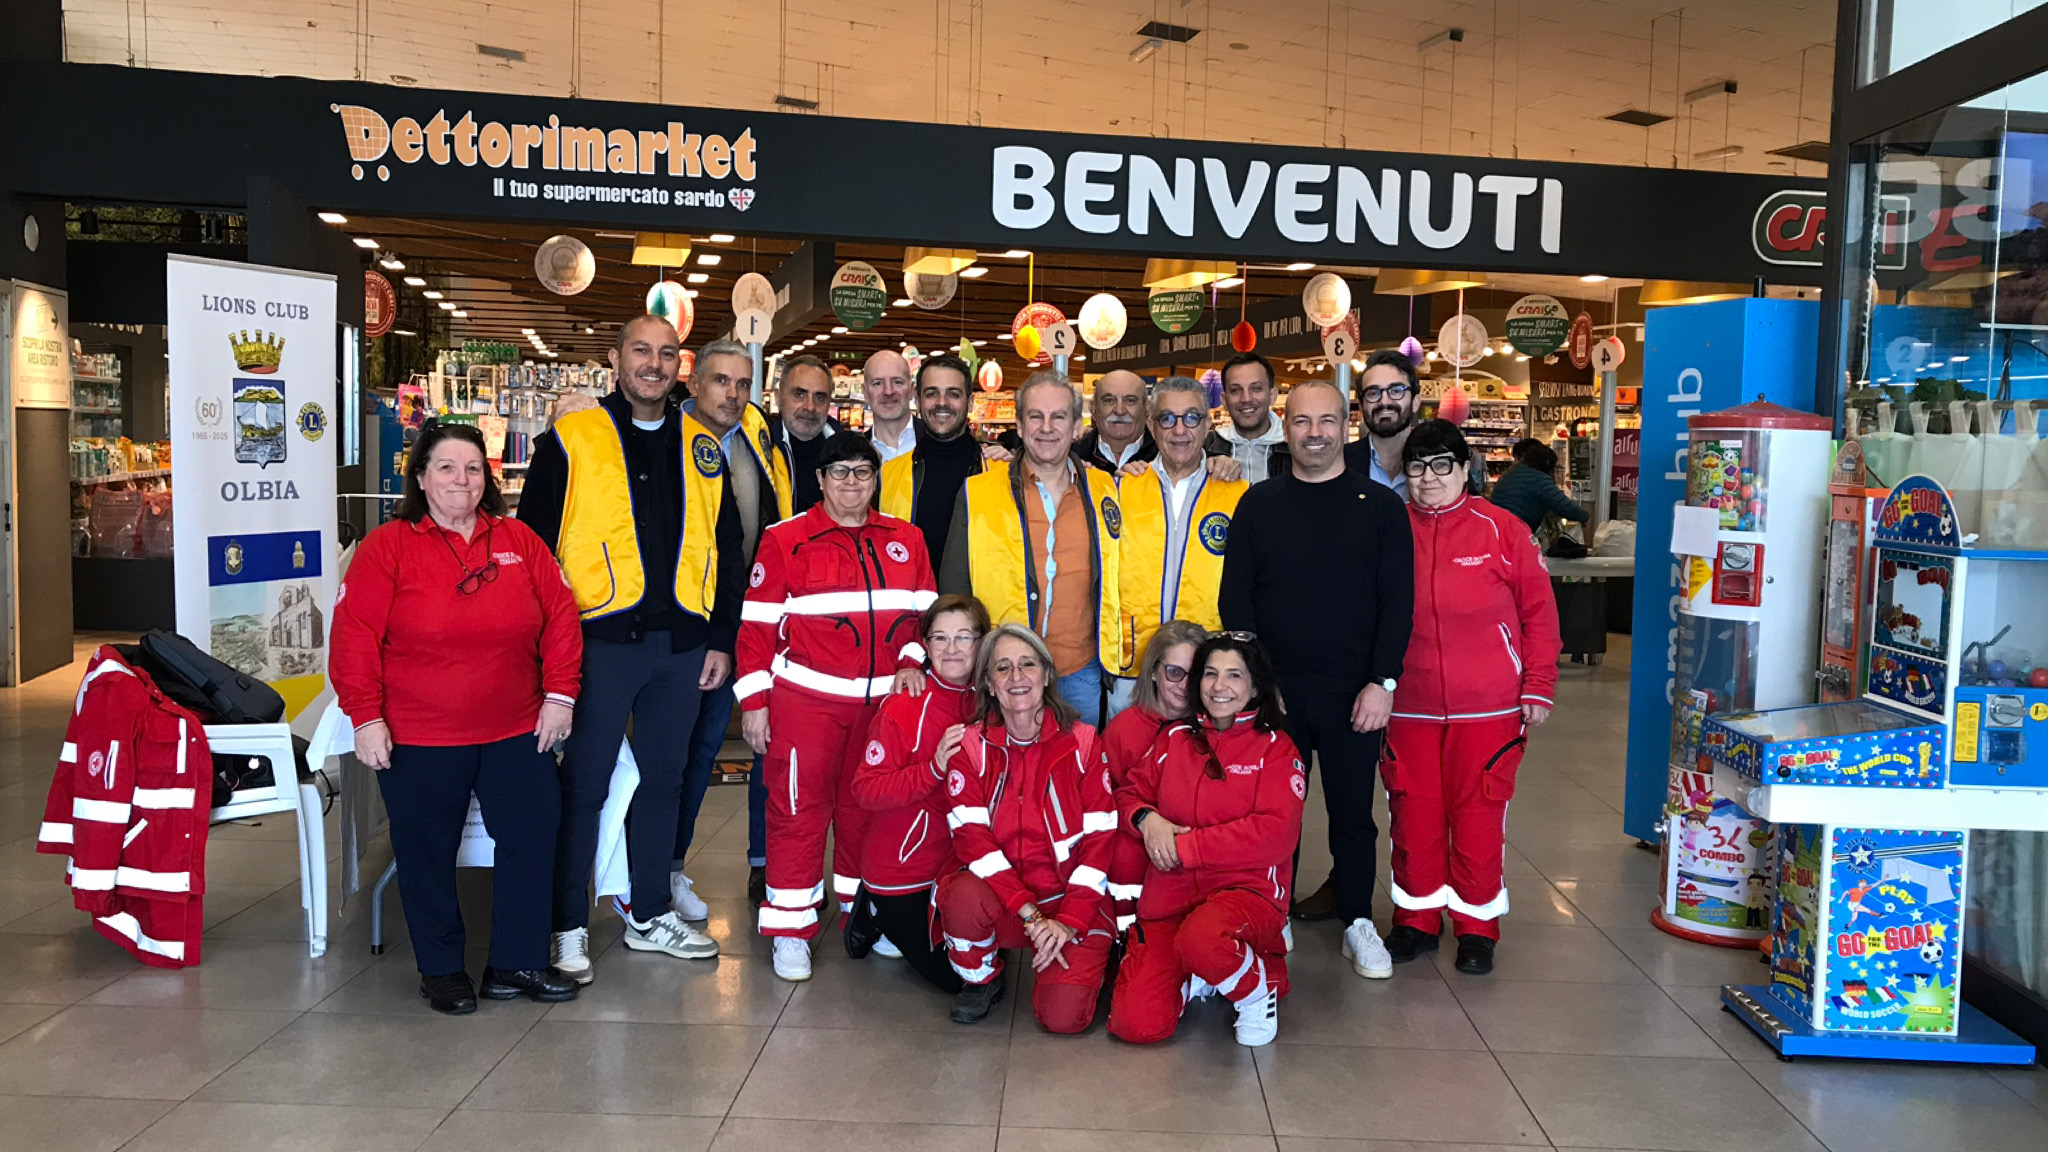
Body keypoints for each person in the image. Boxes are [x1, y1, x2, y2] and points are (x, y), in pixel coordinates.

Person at [332, 421, 583, 1013]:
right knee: (425, 850)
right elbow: (354, 639)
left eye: (472, 468)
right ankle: (441, 968)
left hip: (517, 727)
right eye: (445, 467)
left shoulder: (520, 541)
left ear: (486, 478)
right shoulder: (386, 548)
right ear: (420, 477)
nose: (460, 480)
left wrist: (560, 696)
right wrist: (365, 718)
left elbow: (562, 619)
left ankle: (516, 962)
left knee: (533, 835)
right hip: (419, 734)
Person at [518, 315, 740, 981]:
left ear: (681, 366)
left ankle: (648, 912)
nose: (654, 363)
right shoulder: (573, 436)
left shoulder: (704, 445)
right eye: (641, 350)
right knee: (583, 785)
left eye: (666, 353)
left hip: (681, 647)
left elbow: (728, 552)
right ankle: (566, 926)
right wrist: (542, 650)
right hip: (597, 643)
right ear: (614, 359)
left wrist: (720, 639)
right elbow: (532, 546)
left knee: (664, 781)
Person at [1220, 377, 1413, 976]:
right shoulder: (1259, 504)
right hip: (1276, 692)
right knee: (1274, 813)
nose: (1315, 433)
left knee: (1353, 813)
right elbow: (1238, 599)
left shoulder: (1381, 508)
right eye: (1302, 421)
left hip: (1355, 695)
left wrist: (1383, 683)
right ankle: (1270, 911)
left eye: (1327, 421)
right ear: (1287, 425)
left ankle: (1358, 918)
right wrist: (1256, 682)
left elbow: (1396, 601)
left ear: (1346, 425)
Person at [738, 433, 937, 982]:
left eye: (863, 472)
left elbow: (925, 617)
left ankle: (864, 913)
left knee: (866, 813)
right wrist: (754, 703)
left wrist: (913, 661)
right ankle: (790, 928)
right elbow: (755, 630)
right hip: (808, 704)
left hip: (883, 709)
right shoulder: (786, 540)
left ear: (876, 479)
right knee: (799, 811)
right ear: (821, 480)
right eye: (840, 472)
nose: (852, 483)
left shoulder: (907, 539)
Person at [1386, 420, 1560, 975]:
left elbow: (1539, 612)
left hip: (1489, 708)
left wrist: (1539, 683)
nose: (1429, 478)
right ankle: (1415, 918)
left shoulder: (1502, 530)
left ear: (1466, 470)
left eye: (1443, 465)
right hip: (1406, 704)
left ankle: (1477, 927)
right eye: (1417, 466)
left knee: (1479, 818)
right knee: (1413, 816)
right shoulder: (1389, 529)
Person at [1108, 633, 1307, 1046]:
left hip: (1245, 892)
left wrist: (1186, 847)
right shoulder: (1174, 739)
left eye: (1235, 675)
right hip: (1170, 898)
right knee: (1136, 1025)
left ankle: (1257, 989)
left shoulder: (1277, 749)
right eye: (1211, 674)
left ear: (1255, 686)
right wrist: (1147, 820)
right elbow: (1128, 793)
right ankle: (1201, 970)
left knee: (1203, 938)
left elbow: (1274, 834)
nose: (1220, 686)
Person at [936, 624, 1115, 1030]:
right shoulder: (969, 748)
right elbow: (973, 843)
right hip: (1009, 901)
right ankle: (981, 978)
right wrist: (1031, 915)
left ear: (1047, 674)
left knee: (1064, 1019)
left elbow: (1101, 843)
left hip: (1070, 900)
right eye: (1003, 668)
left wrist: (1068, 920)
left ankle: (1092, 955)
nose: (1017, 678)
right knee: (962, 897)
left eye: (1027, 665)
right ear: (988, 683)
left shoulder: (1084, 744)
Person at [675, 341, 793, 915]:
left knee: (763, 745)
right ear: (694, 382)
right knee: (691, 749)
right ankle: (667, 868)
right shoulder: (669, 439)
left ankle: (762, 865)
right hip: (694, 625)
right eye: (721, 381)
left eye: (743, 384)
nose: (733, 394)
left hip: (758, 617)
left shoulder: (755, 440)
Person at [941, 371, 1126, 728]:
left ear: (1076, 427)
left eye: (1058, 416)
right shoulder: (977, 491)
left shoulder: (1109, 488)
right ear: (1020, 426)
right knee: (1005, 772)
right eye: (1035, 416)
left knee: (1075, 768)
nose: (1047, 427)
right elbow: (955, 588)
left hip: (1081, 670)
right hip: (1003, 671)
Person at [847, 593, 991, 991]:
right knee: (958, 981)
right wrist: (933, 769)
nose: (952, 649)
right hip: (905, 871)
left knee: (992, 955)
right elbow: (866, 789)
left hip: (962, 859)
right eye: (940, 639)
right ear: (925, 645)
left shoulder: (993, 699)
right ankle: (874, 909)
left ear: (982, 642)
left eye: (964, 637)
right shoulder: (905, 704)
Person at [1111, 376, 1247, 713]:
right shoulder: (1122, 488)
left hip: (1207, 668)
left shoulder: (1237, 493)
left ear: (1207, 424)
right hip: (1132, 662)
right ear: (1151, 425)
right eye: (1167, 418)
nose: (1180, 430)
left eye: (1191, 417)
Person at [1099, 620, 1208, 933]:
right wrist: (1146, 822)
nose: (1185, 685)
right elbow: (1101, 803)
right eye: (1175, 672)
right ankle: (1126, 939)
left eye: (1196, 674)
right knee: (1122, 856)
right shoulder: (1123, 730)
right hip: (1135, 843)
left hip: (1193, 842)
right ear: (1153, 672)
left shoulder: (1214, 729)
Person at [878, 354, 998, 565]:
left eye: (953, 394)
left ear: (970, 403)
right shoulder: (886, 477)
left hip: (979, 598)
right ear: (917, 400)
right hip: (909, 596)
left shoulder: (1000, 473)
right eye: (932, 393)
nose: (942, 403)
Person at [1344, 348, 1422, 498]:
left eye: (1396, 390)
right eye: (1373, 393)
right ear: (1361, 405)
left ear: (1415, 401)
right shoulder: (1340, 462)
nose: (1384, 401)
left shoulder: (1440, 463)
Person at [1205, 351, 1290, 484]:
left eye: (1256, 389)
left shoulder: (1295, 447)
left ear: (1272, 396)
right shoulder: (1205, 448)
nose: (1246, 398)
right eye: (1235, 390)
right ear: (1224, 400)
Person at [771, 354, 843, 512]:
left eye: (820, 397)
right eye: (799, 395)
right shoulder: (762, 454)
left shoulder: (848, 454)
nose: (810, 407)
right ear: (778, 398)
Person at [1489, 440, 1588, 532]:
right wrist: (1585, 517)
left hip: (1497, 526)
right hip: (1515, 529)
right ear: (1547, 464)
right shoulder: (1538, 479)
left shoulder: (1512, 472)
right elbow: (1564, 506)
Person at [1075, 369, 1156, 473]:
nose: (1119, 411)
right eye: (1109, 400)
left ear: (1147, 409)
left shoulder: (1165, 459)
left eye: (1130, 400)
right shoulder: (1073, 458)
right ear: (1093, 409)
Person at [862, 349, 916, 462]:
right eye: (878, 383)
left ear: (911, 390)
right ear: (865, 393)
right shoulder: (854, 452)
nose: (888, 391)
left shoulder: (937, 441)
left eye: (897, 382)